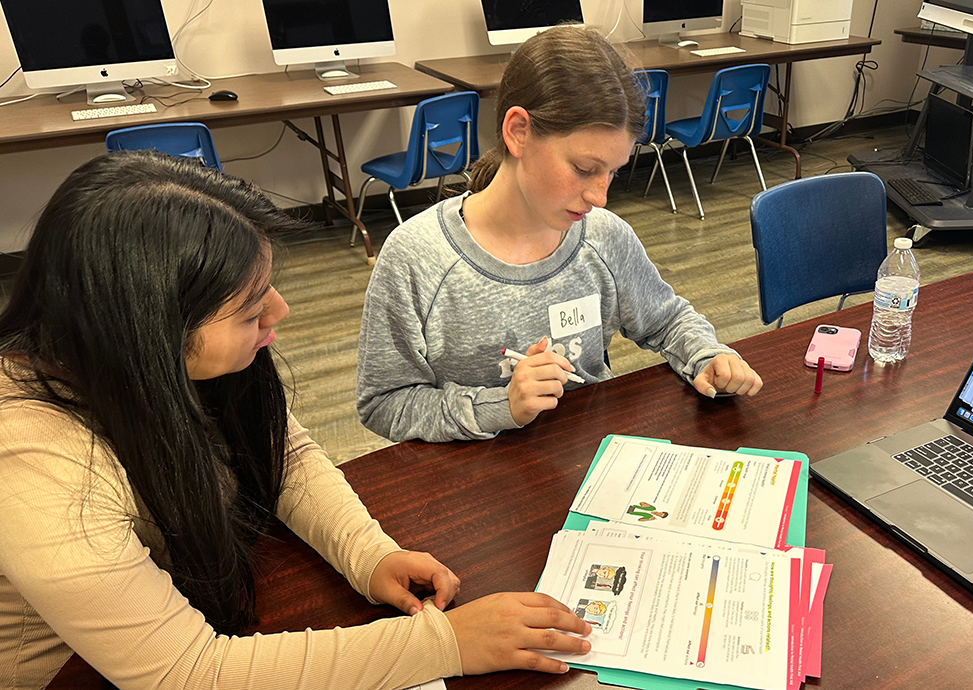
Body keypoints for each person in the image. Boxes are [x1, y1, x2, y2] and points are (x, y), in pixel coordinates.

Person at [0, 151, 590, 690]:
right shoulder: (36, 466)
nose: (278, 309)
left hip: (175, 601)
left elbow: (282, 455)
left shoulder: (152, 366)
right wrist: (448, 643)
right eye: (249, 305)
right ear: (148, 333)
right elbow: (187, 673)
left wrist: (367, 552)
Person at [357, 24, 763, 444]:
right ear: (518, 132)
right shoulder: (415, 258)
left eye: (613, 172)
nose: (599, 196)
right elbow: (385, 402)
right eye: (584, 170)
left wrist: (708, 355)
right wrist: (501, 406)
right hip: (473, 487)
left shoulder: (603, 237)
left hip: (586, 467)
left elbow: (667, 320)